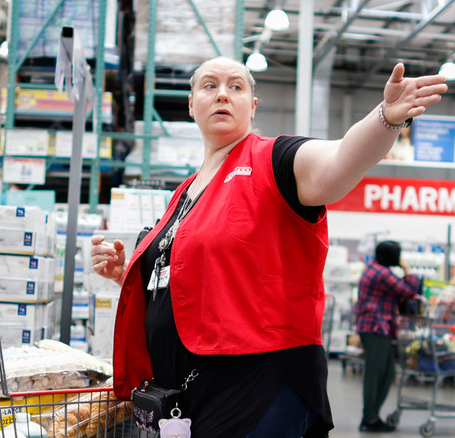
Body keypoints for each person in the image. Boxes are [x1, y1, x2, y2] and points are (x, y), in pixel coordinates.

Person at [91, 57, 447, 437]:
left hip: (259, 386)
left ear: (253, 105)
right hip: (189, 389)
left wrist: (386, 118)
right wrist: (127, 273)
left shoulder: (274, 160)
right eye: (209, 86)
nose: (223, 94)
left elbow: (338, 161)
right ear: (192, 104)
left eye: (236, 86)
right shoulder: (185, 191)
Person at [355, 241, 422, 432]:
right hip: (376, 327)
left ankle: (372, 416)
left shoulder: (374, 268)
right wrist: (406, 268)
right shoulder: (381, 273)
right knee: (375, 374)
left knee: (386, 373)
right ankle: (369, 418)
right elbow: (409, 290)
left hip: (376, 327)